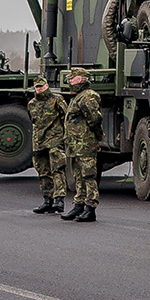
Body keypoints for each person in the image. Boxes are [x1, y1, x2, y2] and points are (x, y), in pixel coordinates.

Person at [60, 69, 102, 223]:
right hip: (75, 143)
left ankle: (90, 208)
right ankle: (79, 204)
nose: (70, 81)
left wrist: (95, 136)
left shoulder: (88, 96)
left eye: (73, 78)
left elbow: (95, 119)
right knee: (78, 174)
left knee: (88, 175)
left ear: (81, 79)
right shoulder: (77, 97)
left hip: (85, 142)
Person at [26, 75, 68, 214]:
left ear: (47, 86)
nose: (39, 90)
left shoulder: (57, 100)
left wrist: (65, 137)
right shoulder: (32, 103)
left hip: (55, 140)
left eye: (41, 87)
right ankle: (47, 200)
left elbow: (65, 118)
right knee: (43, 171)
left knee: (57, 169)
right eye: (37, 87)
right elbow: (33, 121)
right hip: (39, 142)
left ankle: (59, 199)